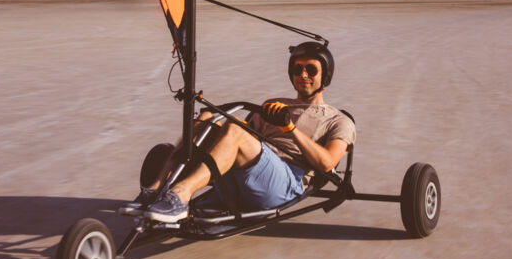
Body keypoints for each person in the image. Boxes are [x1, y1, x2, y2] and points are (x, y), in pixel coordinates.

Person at [142, 42, 356, 223]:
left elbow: (327, 163)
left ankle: (180, 194)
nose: (303, 75)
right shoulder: (275, 104)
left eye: (311, 70)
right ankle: (156, 189)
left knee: (235, 127)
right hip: (246, 173)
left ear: (325, 75)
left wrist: (290, 129)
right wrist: (208, 120)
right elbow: (236, 140)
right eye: (297, 69)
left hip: (285, 184)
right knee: (208, 119)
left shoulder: (339, 120)